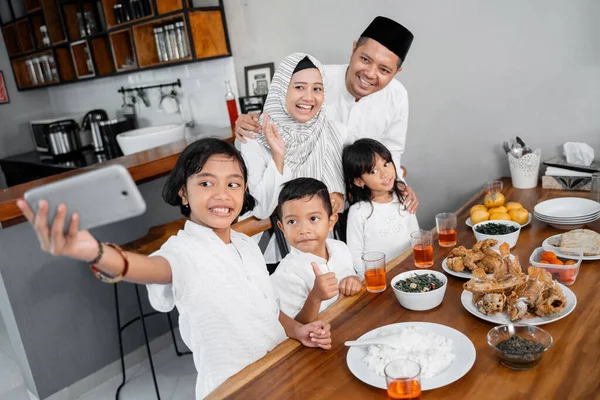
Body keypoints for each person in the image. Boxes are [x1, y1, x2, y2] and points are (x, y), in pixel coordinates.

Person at [16, 138, 332, 400]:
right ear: (183, 192)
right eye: (206, 183)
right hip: (232, 389)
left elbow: (268, 309)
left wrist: (298, 330)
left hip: (277, 369)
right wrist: (96, 252)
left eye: (233, 184)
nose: (222, 194)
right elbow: (148, 268)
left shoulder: (246, 245)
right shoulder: (182, 252)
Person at [236, 16, 419, 213]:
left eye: (384, 70)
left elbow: (392, 150)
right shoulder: (317, 80)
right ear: (354, 49)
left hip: (363, 196)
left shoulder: (397, 96)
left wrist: (398, 184)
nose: (370, 73)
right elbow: (276, 119)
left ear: (396, 72)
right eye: (365, 59)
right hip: (305, 205)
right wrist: (249, 121)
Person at [238, 53, 346, 262]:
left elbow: (347, 180)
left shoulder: (334, 132)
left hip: (322, 248)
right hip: (274, 253)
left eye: (317, 88)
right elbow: (262, 209)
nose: (309, 97)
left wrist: (339, 194)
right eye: (299, 87)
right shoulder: (253, 137)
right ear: (281, 89)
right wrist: (278, 156)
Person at [271, 178, 362, 324]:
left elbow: (352, 278)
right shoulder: (286, 274)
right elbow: (296, 326)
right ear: (282, 228)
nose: (303, 230)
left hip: (352, 321)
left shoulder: (340, 248)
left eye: (313, 218)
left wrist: (354, 281)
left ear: (331, 222)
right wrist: (315, 298)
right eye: (292, 222)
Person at [343, 139, 419, 276]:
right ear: (359, 181)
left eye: (386, 164)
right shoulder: (359, 212)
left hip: (409, 270)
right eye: (373, 171)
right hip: (378, 277)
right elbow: (355, 254)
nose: (384, 174)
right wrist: (366, 279)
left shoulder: (404, 198)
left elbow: (416, 235)